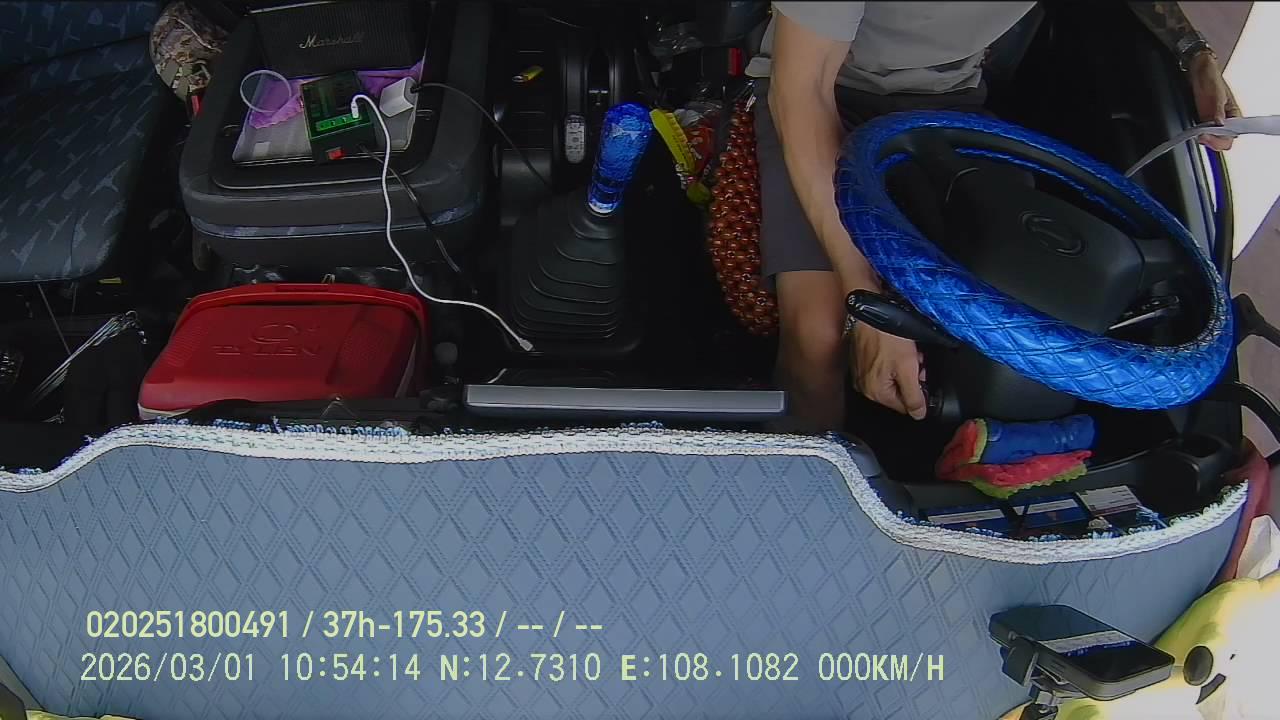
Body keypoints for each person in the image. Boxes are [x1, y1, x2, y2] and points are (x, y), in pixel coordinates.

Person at [756, 1, 1240, 432]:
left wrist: (1194, 54)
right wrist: (868, 306)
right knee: (819, 336)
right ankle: (802, 468)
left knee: (1031, 307)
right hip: (824, 95)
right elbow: (802, 93)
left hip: (949, 101)